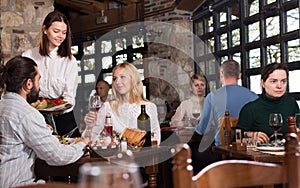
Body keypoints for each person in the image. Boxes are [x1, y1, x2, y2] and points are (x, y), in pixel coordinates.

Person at [0, 56, 90, 188]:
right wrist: (82, 145)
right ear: (28, 84)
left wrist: (42, 130)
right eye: (38, 80)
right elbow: (58, 156)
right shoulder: (27, 113)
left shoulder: (4, 106)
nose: (39, 86)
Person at [191, 59, 258, 174]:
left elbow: (202, 130)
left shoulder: (212, 97)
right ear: (240, 75)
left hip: (222, 153)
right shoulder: (254, 96)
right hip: (249, 151)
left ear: (221, 74)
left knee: (193, 152)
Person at [22, 10, 80, 137]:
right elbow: (24, 91)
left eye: (64, 33)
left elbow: (70, 97)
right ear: (45, 29)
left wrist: (58, 110)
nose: (60, 36)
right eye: (56, 31)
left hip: (63, 118)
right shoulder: (28, 56)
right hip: (36, 117)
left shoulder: (70, 61)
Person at [83, 62, 161, 144]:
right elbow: (89, 140)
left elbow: (156, 140)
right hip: (115, 156)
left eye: (122, 77)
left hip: (143, 155)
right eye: (115, 78)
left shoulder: (149, 107)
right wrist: (89, 126)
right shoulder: (107, 107)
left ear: (133, 79)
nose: (117, 82)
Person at [237, 63, 299, 144]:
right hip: (261, 155)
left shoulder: (291, 103)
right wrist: (250, 136)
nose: (279, 86)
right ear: (263, 83)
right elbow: (236, 136)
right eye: (273, 81)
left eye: (283, 81)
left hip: (288, 153)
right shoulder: (250, 108)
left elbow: (298, 128)